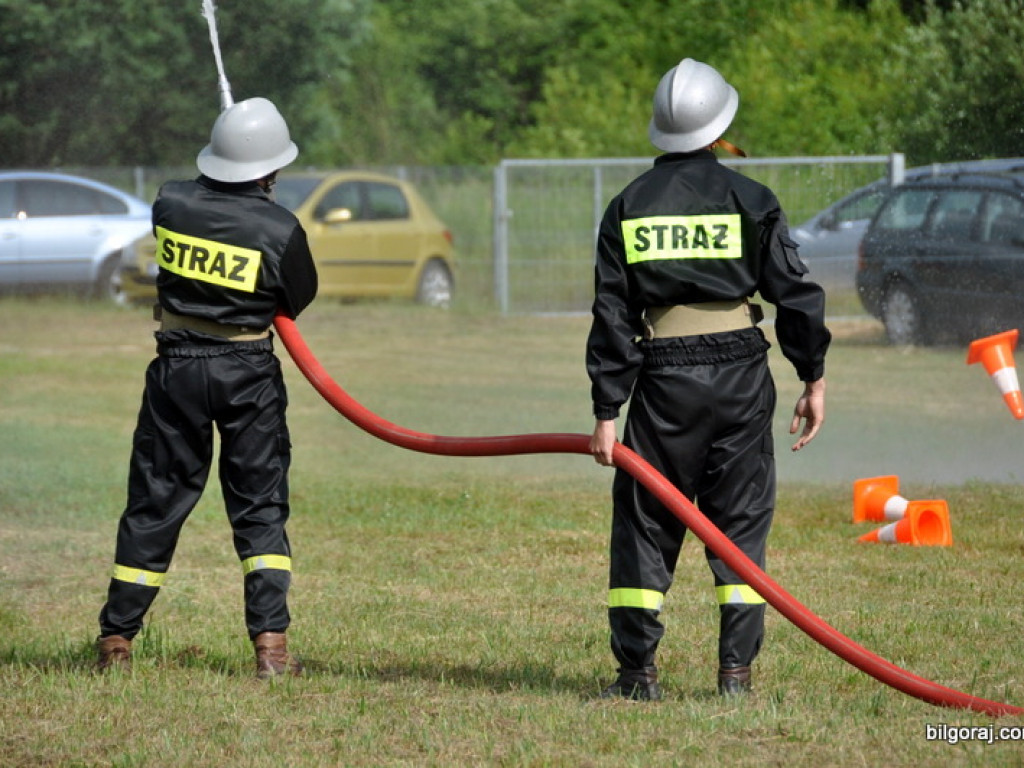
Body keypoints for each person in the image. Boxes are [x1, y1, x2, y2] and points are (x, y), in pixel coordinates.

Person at [586, 59, 830, 701]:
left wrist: (606, 410)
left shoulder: (627, 207)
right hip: (743, 374)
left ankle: (637, 677)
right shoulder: (753, 200)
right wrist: (813, 376)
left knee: (645, 523)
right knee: (742, 522)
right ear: (722, 127)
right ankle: (735, 677)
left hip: (664, 381)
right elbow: (797, 297)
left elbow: (612, 315)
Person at [95, 97, 319, 678]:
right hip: (247, 372)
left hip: (176, 372)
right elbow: (298, 296)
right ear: (270, 169)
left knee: (156, 500)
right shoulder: (280, 227)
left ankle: (116, 641)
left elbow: (202, 203)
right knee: (259, 509)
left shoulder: (169, 202)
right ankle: (271, 651)